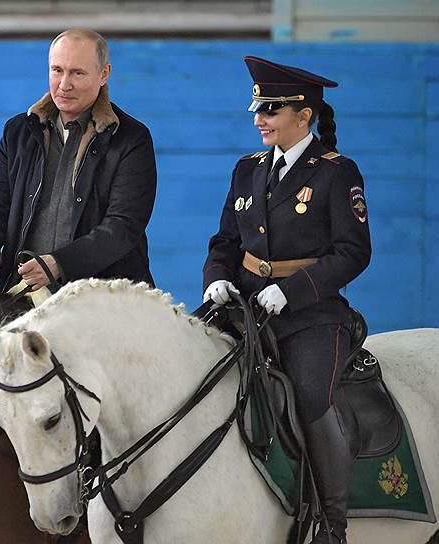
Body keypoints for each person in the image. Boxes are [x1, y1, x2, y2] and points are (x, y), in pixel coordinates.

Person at [202, 56, 371, 544]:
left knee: (312, 397)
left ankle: (331, 525)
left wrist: (291, 291)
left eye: (271, 109)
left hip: (311, 316)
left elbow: (353, 253)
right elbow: (225, 242)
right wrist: (216, 278)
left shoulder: (337, 173)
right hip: (245, 307)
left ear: (304, 116)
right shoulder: (246, 169)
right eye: (258, 108)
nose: (260, 118)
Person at [0, 28, 157, 292]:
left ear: (104, 74)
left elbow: (123, 226)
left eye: (77, 73)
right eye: (57, 70)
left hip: (105, 299)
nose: (64, 84)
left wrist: (59, 264)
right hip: (21, 293)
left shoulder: (132, 139)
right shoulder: (18, 131)